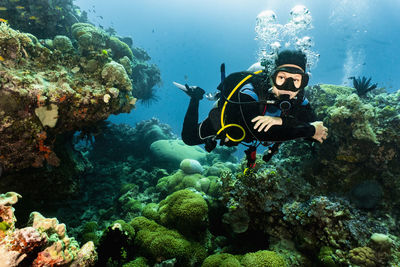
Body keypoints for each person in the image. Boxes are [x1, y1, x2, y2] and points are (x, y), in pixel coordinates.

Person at [176, 50, 328, 166]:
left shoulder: (300, 100)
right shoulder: (250, 92)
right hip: (232, 121)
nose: (288, 88)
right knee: (189, 138)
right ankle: (195, 96)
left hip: (258, 131)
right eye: (281, 78)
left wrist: (281, 121)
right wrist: (309, 129)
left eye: (296, 80)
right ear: (272, 76)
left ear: (303, 82)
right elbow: (258, 132)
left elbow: (318, 131)